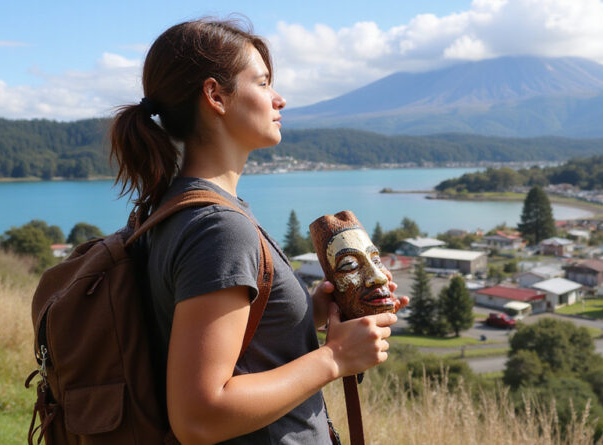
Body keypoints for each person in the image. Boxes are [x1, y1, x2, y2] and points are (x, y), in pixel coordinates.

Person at [109, 18, 407, 445]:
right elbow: (200, 415)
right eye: (264, 83)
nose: (279, 99)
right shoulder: (218, 228)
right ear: (215, 95)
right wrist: (336, 358)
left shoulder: (170, 209)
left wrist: (309, 312)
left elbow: (217, 343)